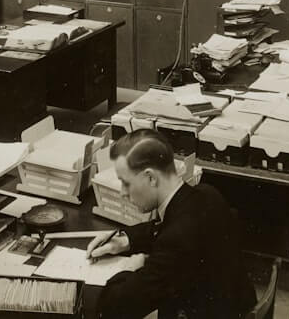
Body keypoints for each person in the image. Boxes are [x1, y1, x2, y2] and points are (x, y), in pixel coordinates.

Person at [90, 129, 254, 319]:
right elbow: (162, 227)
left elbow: (118, 306)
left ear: (151, 178)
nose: (122, 193)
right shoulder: (205, 193)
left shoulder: (176, 240)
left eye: (126, 183)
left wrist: (130, 268)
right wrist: (125, 240)